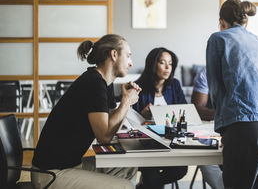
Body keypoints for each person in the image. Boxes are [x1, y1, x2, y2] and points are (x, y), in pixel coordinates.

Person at [31, 34, 141, 189]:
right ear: (114, 54)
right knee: (125, 186)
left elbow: (112, 125)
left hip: (71, 165)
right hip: (51, 173)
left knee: (127, 166)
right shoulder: (93, 83)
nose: (131, 63)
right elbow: (104, 137)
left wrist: (125, 103)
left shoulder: (104, 83)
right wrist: (126, 102)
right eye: (128, 56)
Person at [206, 0, 258, 189]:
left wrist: (223, 127)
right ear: (246, 22)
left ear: (221, 22)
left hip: (248, 125)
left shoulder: (218, 39)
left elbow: (216, 88)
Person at [133, 47, 188, 189]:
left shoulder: (174, 85)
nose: (167, 67)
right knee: (152, 175)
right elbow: (131, 120)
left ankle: (144, 186)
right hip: (147, 144)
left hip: (171, 142)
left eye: (170, 63)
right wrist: (142, 116)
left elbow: (184, 111)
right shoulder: (138, 87)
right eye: (162, 62)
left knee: (181, 169)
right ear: (152, 64)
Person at [191, 67, 224, 189]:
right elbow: (197, 108)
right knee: (207, 161)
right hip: (210, 130)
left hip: (237, 132)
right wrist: (224, 113)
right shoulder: (206, 73)